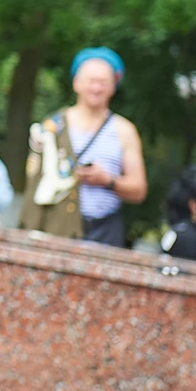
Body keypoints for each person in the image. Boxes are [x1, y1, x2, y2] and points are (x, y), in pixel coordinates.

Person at [20, 47, 147, 246]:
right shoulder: (53, 127)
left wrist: (107, 181)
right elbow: (34, 183)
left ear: (113, 86)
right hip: (57, 225)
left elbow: (139, 190)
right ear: (76, 83)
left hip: (104, 229)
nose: (96, 88)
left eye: (103, 82)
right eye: (91, 81)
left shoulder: (124, 131)